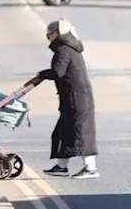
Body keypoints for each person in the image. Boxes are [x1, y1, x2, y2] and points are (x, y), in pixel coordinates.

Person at [39, 19, 99, 179]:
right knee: (63, 132)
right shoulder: (69, 48)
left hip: (77, 99)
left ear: (56, 34)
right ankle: (61, 166)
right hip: (73, 98)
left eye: (49, 35)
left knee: (81, 133)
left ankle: (90, 168)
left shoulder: (64, 49)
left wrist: (43, 74)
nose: (48, 39)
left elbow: (58, 72)